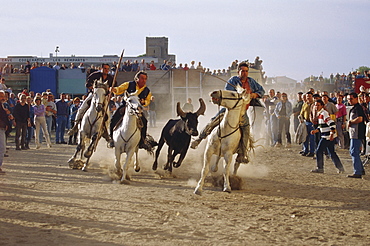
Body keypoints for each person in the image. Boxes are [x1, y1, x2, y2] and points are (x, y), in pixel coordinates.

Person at [191, 61, 265, 163]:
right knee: (213, 121)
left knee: (246, 129)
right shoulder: (233, 80)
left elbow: (261, 91)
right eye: (243, 71)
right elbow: (229, 94)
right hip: (229, 109)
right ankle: (199, 139)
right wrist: (241, 93)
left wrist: (254, 95)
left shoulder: (251, 82)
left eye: (246, 71)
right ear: (238, 71)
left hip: (242, 111)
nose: (245, 73)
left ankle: (242, 153)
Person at [68, 63, 114, 144]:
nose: (106, 70)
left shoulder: (110, 78)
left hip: (103, 97)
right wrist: (93, 88)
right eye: (105, 68)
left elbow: (114, 88)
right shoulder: (94, 75)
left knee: (107, 115)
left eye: (107, 69)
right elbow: (87, 84)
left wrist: (111, 92)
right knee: (82, 108)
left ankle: (106, 132)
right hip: (94, 95)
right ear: (101, 68)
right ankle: (75, 127)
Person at [110, 71, 157, 150]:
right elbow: (120, 89)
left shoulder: (147, 91)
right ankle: (112, 138)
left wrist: (144, 102)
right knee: (113, 119)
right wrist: (114, 89)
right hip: (125, 106)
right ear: (137, 78)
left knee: (144, 122)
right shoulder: (129, 84)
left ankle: (142, 141)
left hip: (138, 109)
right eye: (142, 78)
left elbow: (148, 101)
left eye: (145, 79)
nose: (144, 80)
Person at [310, 100, 344, 173]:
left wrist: (332, 134)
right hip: (327, 135)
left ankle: (320, 168)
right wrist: (316, 130)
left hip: (327, 136)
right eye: (316, 105)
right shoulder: (320, 114)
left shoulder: (324, 113)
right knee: (332, 152)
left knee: (319, 151)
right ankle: (340, 168)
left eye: (318, 105)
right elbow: (322, 126)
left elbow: (332, 124)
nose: (316, 107)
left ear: (322, 106)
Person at [347, 92, 366, 178]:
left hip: (357, 133)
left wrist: (351, 122)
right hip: (354, 133)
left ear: (356, 98)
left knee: (354, 152)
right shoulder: (354, 108)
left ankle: (357, 171)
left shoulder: (358, 108)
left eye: (351, 99)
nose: (349, 101)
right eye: (348, 99)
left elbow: (360, 119)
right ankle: (360, 169)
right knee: (353, 151)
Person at [300, 92, 315, 157]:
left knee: (312, 138)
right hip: (306, 122)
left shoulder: (315, 104)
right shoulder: (304, 104)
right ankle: (305, 150)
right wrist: (301, 118)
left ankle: (312, 151)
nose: (308, 97)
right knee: (305, 137)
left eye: (309, 96)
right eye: (307, 96)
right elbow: (302, 113)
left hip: (312, 123)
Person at [0, 90, 11, 173]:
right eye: (1, 96)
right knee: (2, 148)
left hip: (2, 128)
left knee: (2, 148)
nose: (3, 98)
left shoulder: (2, 105)